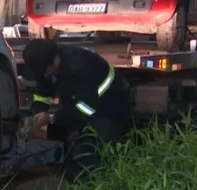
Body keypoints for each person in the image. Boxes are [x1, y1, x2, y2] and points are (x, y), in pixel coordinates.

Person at [22, 39, 132, 181]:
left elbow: (86, 109)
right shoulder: (44, 63)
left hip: (110, 106)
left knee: (88, 148)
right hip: (81, 102)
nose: (42, 75)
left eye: (44, 71)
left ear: (55, 61)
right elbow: (43, 94)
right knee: (64, 139)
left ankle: (90, 186)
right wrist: (35, 115)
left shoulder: (81, 67)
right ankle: (67, 177)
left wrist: (50, 118)